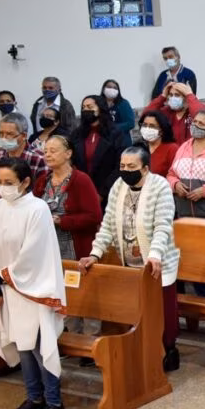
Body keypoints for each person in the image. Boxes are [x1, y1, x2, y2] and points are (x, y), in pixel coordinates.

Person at [0, 157, 68, 409]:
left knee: (40, 347)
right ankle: (34, 398)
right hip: (8, 289)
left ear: (25, 182)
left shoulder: (37, 209)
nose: (3, 188)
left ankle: (54, 402)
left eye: (9, 183)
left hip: (35, 288)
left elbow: (32, 254)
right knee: (22, 346)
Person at [81, 145, 182, 372]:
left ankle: (168, 350)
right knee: (137, 309)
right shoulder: (119, 185)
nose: (126, 170)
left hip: (158, 261)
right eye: (122, 166)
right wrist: (95, 253)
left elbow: (163, 225)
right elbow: (107, 223)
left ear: (145, 168)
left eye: (131, 167)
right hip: (129, 261)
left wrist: (155, 255)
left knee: (162, 311)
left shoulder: (160, 186)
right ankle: (142, 348)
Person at [34, 135, 102, 261]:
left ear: (68, 153)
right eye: (45, 151)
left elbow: (94, 216)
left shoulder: (81, 180)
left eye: (53, 151)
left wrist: (61, 221)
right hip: (46, 246)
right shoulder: (42, 181)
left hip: (74, 247)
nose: (47, 155)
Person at [0, 112, 48, 212]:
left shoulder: (39, 159)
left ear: (24, 135)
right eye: (1, 133)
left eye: (10, 134)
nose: (4, 138)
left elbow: (42, 193)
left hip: (25, 214)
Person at [70, 95, 122, 201]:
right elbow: (71, 161)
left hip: (107, 193)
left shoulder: (115, 133)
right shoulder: (77, 134)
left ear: (100, 109)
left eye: (90, 107)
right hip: (81, 190)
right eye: (83, 107)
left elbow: (119, 166)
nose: (86, 110)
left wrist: (102, 193)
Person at [144, 81, 205, 145]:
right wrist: (162, 96)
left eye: (177, 95)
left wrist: (189, 95)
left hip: (190, 152)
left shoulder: (193, 111)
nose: (173, 98)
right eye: (171, 95)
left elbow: (203, 118)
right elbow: (146, 115)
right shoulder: (166, 112)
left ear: (185, 97)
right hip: (170, 152)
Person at [137, 111, 179, 177]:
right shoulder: (139, 148)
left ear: (161, 130)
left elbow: (175, 175)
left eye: (152, 126)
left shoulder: (172, 149)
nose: (147, 129)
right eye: (144, 125)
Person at [99, 79, 136, 148]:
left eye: (115, 88)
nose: (112, 89)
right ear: (103, 89)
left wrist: (111, 128)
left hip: (122, 142)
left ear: (118, 91)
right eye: (109, 87)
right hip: (104, 142)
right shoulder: (98, 104)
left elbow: (130, 123)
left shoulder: (123, 103)